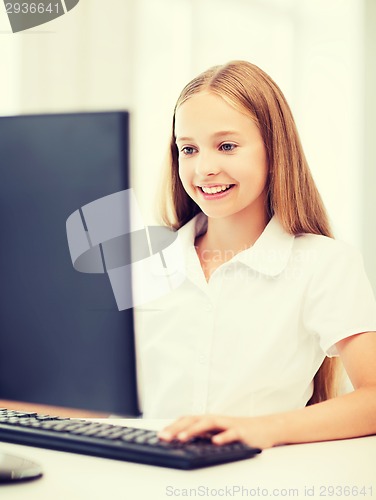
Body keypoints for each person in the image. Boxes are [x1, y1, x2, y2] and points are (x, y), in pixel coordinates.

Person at [135, 60, 376, 450]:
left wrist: (264, 429)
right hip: (139, 476)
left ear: (274, 150)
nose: (204, 168)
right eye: (189, 149)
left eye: (226, 146)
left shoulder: (325, 264)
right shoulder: (143, 262)